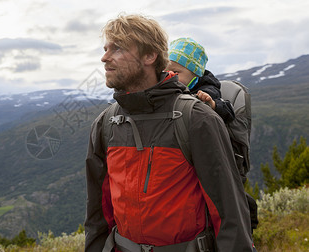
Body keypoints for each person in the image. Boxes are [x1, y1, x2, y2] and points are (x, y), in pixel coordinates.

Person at [85, 14, 255, 251]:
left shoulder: (197, 119)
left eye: (118, 48)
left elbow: (228, 215)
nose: (104, 58)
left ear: (150, 56)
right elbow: (98, 215)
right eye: (105, 49)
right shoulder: (106, 124)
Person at [165, 37, 235, 123]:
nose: (169, 75)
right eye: (165, 72)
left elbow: (229, 113)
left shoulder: (207, 90)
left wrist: (212, 104)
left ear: (195, 74)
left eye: (175, 72)